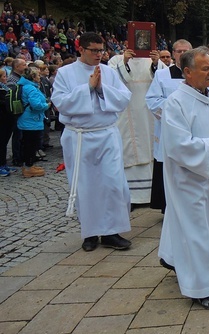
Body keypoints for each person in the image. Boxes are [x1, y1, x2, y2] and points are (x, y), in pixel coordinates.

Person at [157, 47, 209, 310]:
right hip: (188, 177)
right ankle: (201, 287)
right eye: (206, 69)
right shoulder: (175, 103)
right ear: (188, 72)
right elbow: (177, 146)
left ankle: (176, 258)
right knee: (195, 230)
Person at [51, 32, 133, 252]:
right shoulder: (65, 73)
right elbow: (59, 102)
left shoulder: (108, 72)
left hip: (106, 133)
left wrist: (100, 88)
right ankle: (90, 233)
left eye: (101, 50)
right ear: (81, 49)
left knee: (113, 184)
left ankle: (111, 232)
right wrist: (87, 87)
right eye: (94, 51)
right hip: (79, 136)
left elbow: (124, 97)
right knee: (85, 186)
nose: (99, 55)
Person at [108, 48, 167, 206]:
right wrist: (124, 63)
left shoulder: (153, 61)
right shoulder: (116, 60)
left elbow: (164, 80)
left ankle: (151, 195)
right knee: (128, 151)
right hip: (127, 114)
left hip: (148, 114)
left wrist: (156, 64)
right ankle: (131, 197)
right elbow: (111, 81)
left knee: (151, 149)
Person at [145, 39, 192, 213]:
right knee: (168, 166)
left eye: (186, 51)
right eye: (179, 51)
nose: (182, 54)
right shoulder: (162, 75)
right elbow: (152, 100)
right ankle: (168, 207)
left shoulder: (197, 73)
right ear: (173, 54)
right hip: (169, 129)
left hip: (192, 129)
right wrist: (176, 113)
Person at [17, 68, 49, 178]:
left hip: (29, 120)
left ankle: (29, 165)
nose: (40, 77)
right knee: (31, 144)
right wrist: (46, 106)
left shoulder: (27, 86)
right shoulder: (30, 88)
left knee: (29, 143)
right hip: (31, 120)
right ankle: (28, 167)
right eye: (38, 75)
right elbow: (36, 105)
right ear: (33, 77)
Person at [7, 58, 27, 167]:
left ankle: (22, 155)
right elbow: (13, 95)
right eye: (23, 65)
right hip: (16, 111)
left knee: (21, 134)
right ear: (17, 67)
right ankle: (16, 157)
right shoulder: (12, 79)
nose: (26, 67)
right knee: (17, 134)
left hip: (23, 110)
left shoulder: (21, 77)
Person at [0, 68, 17, 176]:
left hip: (7, 120)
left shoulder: (4, 88)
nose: (6, 78)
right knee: (1, 143)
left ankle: (3, 163)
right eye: (4, 76)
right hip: (2, 120)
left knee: (4, 143)